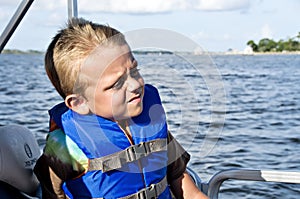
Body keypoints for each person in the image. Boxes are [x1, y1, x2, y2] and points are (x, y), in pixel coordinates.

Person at [34, 18, 209, 199]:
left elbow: (178, 176)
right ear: (80, 103)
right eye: (117, 84)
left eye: (134, 71)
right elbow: (51, 190)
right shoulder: (66, 143)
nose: (134, 85)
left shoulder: (151, 118)